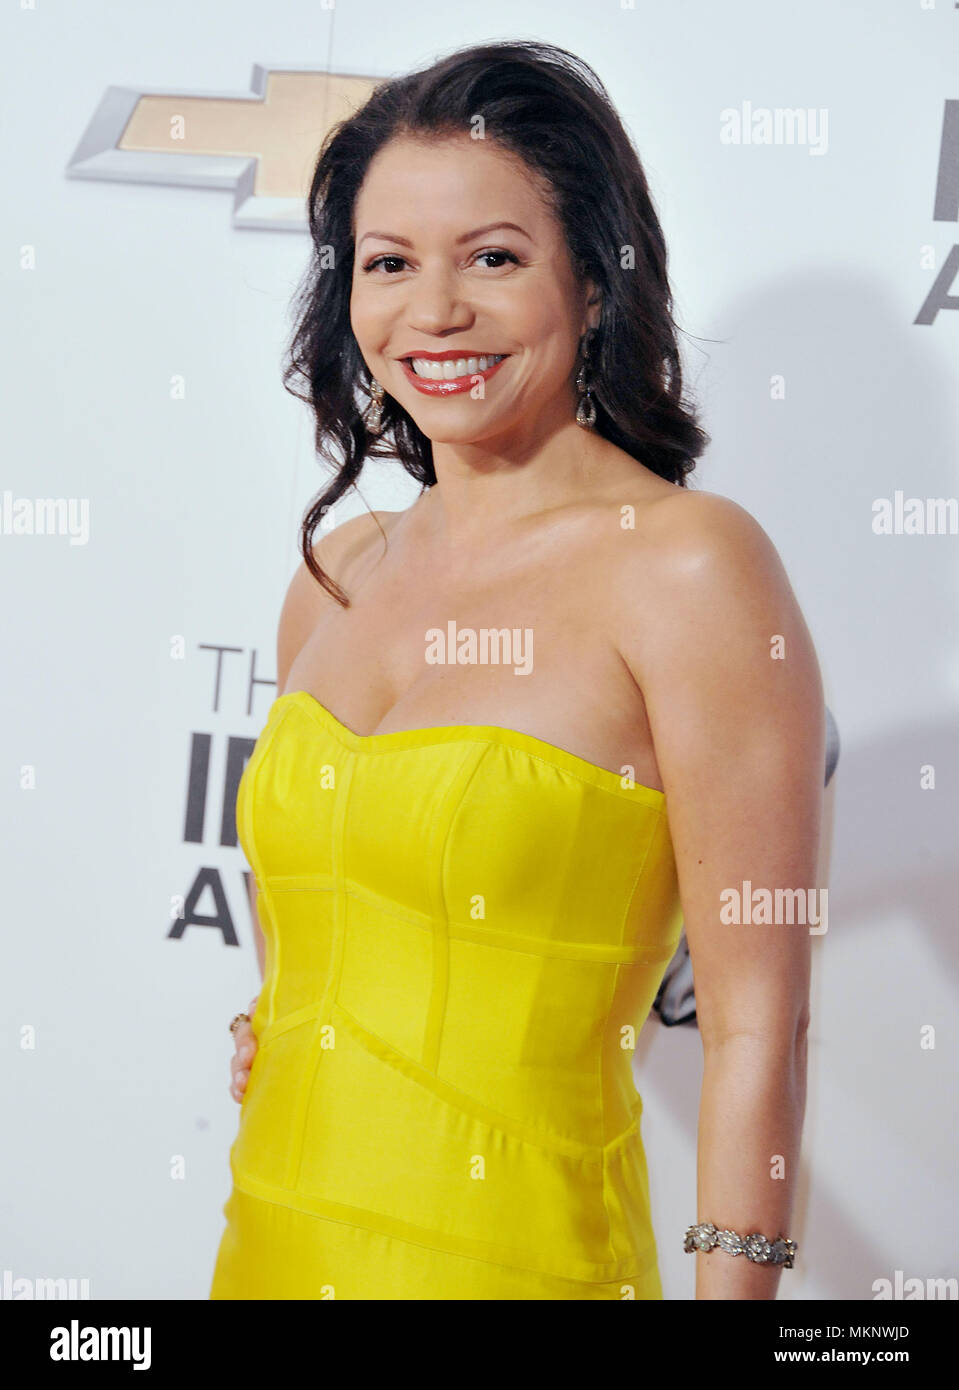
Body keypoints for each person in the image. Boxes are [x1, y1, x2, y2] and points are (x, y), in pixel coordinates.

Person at [210, 39, 824, 1301]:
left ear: (594, 285)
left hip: (522, 1263)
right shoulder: (337, 572)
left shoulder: (688, 568)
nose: (431, 313)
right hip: (272, 1244)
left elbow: (756, 1024)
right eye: (388, 265)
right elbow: (307, 935)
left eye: (491, 257)